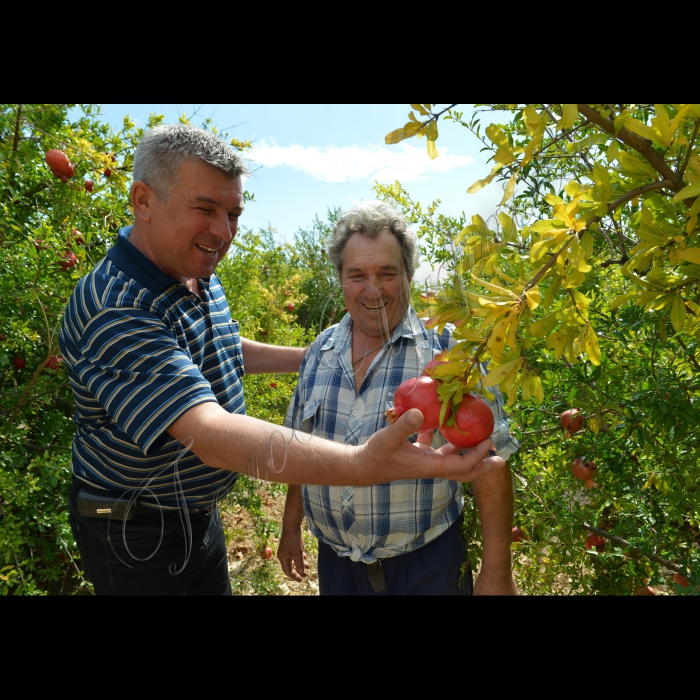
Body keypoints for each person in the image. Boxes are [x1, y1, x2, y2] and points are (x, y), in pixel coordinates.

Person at [59, 125, 505, 595]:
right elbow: (209, 435)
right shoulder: (116, 307)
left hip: (197, 515)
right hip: (134, 527)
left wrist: (315, 356)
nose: (223, 232)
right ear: (143, 201)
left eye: (232, 213)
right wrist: (361, 464)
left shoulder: (193, 269)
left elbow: (220, 349)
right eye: (205, 209)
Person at [277, 201, 521, 595]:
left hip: (427, 566)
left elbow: (492, 462)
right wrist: (290, 529)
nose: (373, 288)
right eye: (357, 274)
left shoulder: (449, 355)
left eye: (387, 273)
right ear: (339, 278)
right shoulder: (320, 352)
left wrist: (497, 571)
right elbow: (299, 448)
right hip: (338, 567)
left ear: (408, 275)